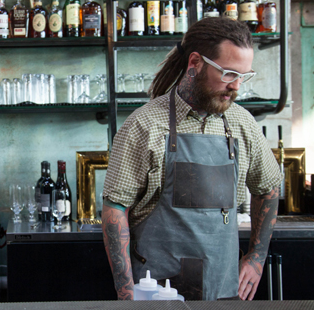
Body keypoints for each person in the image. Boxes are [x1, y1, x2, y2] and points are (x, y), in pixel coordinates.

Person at [102, 17, 281, 301]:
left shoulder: (242, 124)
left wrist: (257, 256)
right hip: (157, 293)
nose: (237, 87)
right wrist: (126, 294)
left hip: (224, 290)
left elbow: (269, 187)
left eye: (243, 76)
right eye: (228, 74)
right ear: (195, 62)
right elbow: (115, 208)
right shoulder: (145, 125)